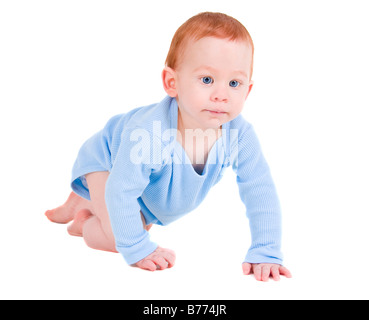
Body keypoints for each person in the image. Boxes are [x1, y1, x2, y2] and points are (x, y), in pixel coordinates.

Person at [45, 12, 292, 282]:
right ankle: (83, 223)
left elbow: (260, 189)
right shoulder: (150, 133)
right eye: (207, 79)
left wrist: (266, 249)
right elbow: (122, 189)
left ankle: (84, 201)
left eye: (234, 83)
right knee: (122, 236)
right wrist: (137, 248)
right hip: (108, 163)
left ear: (247, 91)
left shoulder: (240, 135)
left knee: (137, 223)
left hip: (139, 185)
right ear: (171, 83)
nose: (221, 94)